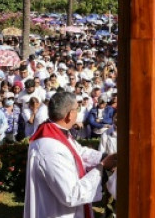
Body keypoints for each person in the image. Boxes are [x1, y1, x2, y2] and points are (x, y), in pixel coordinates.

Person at [23, 90, 116, 218]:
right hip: (58, 212)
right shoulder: (51, 148)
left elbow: (79, 151)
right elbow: (71, 194)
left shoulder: (55, 132)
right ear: (69, 115)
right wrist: (101, 167)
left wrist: (105, 157)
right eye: (76, 110)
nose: (78, 113)